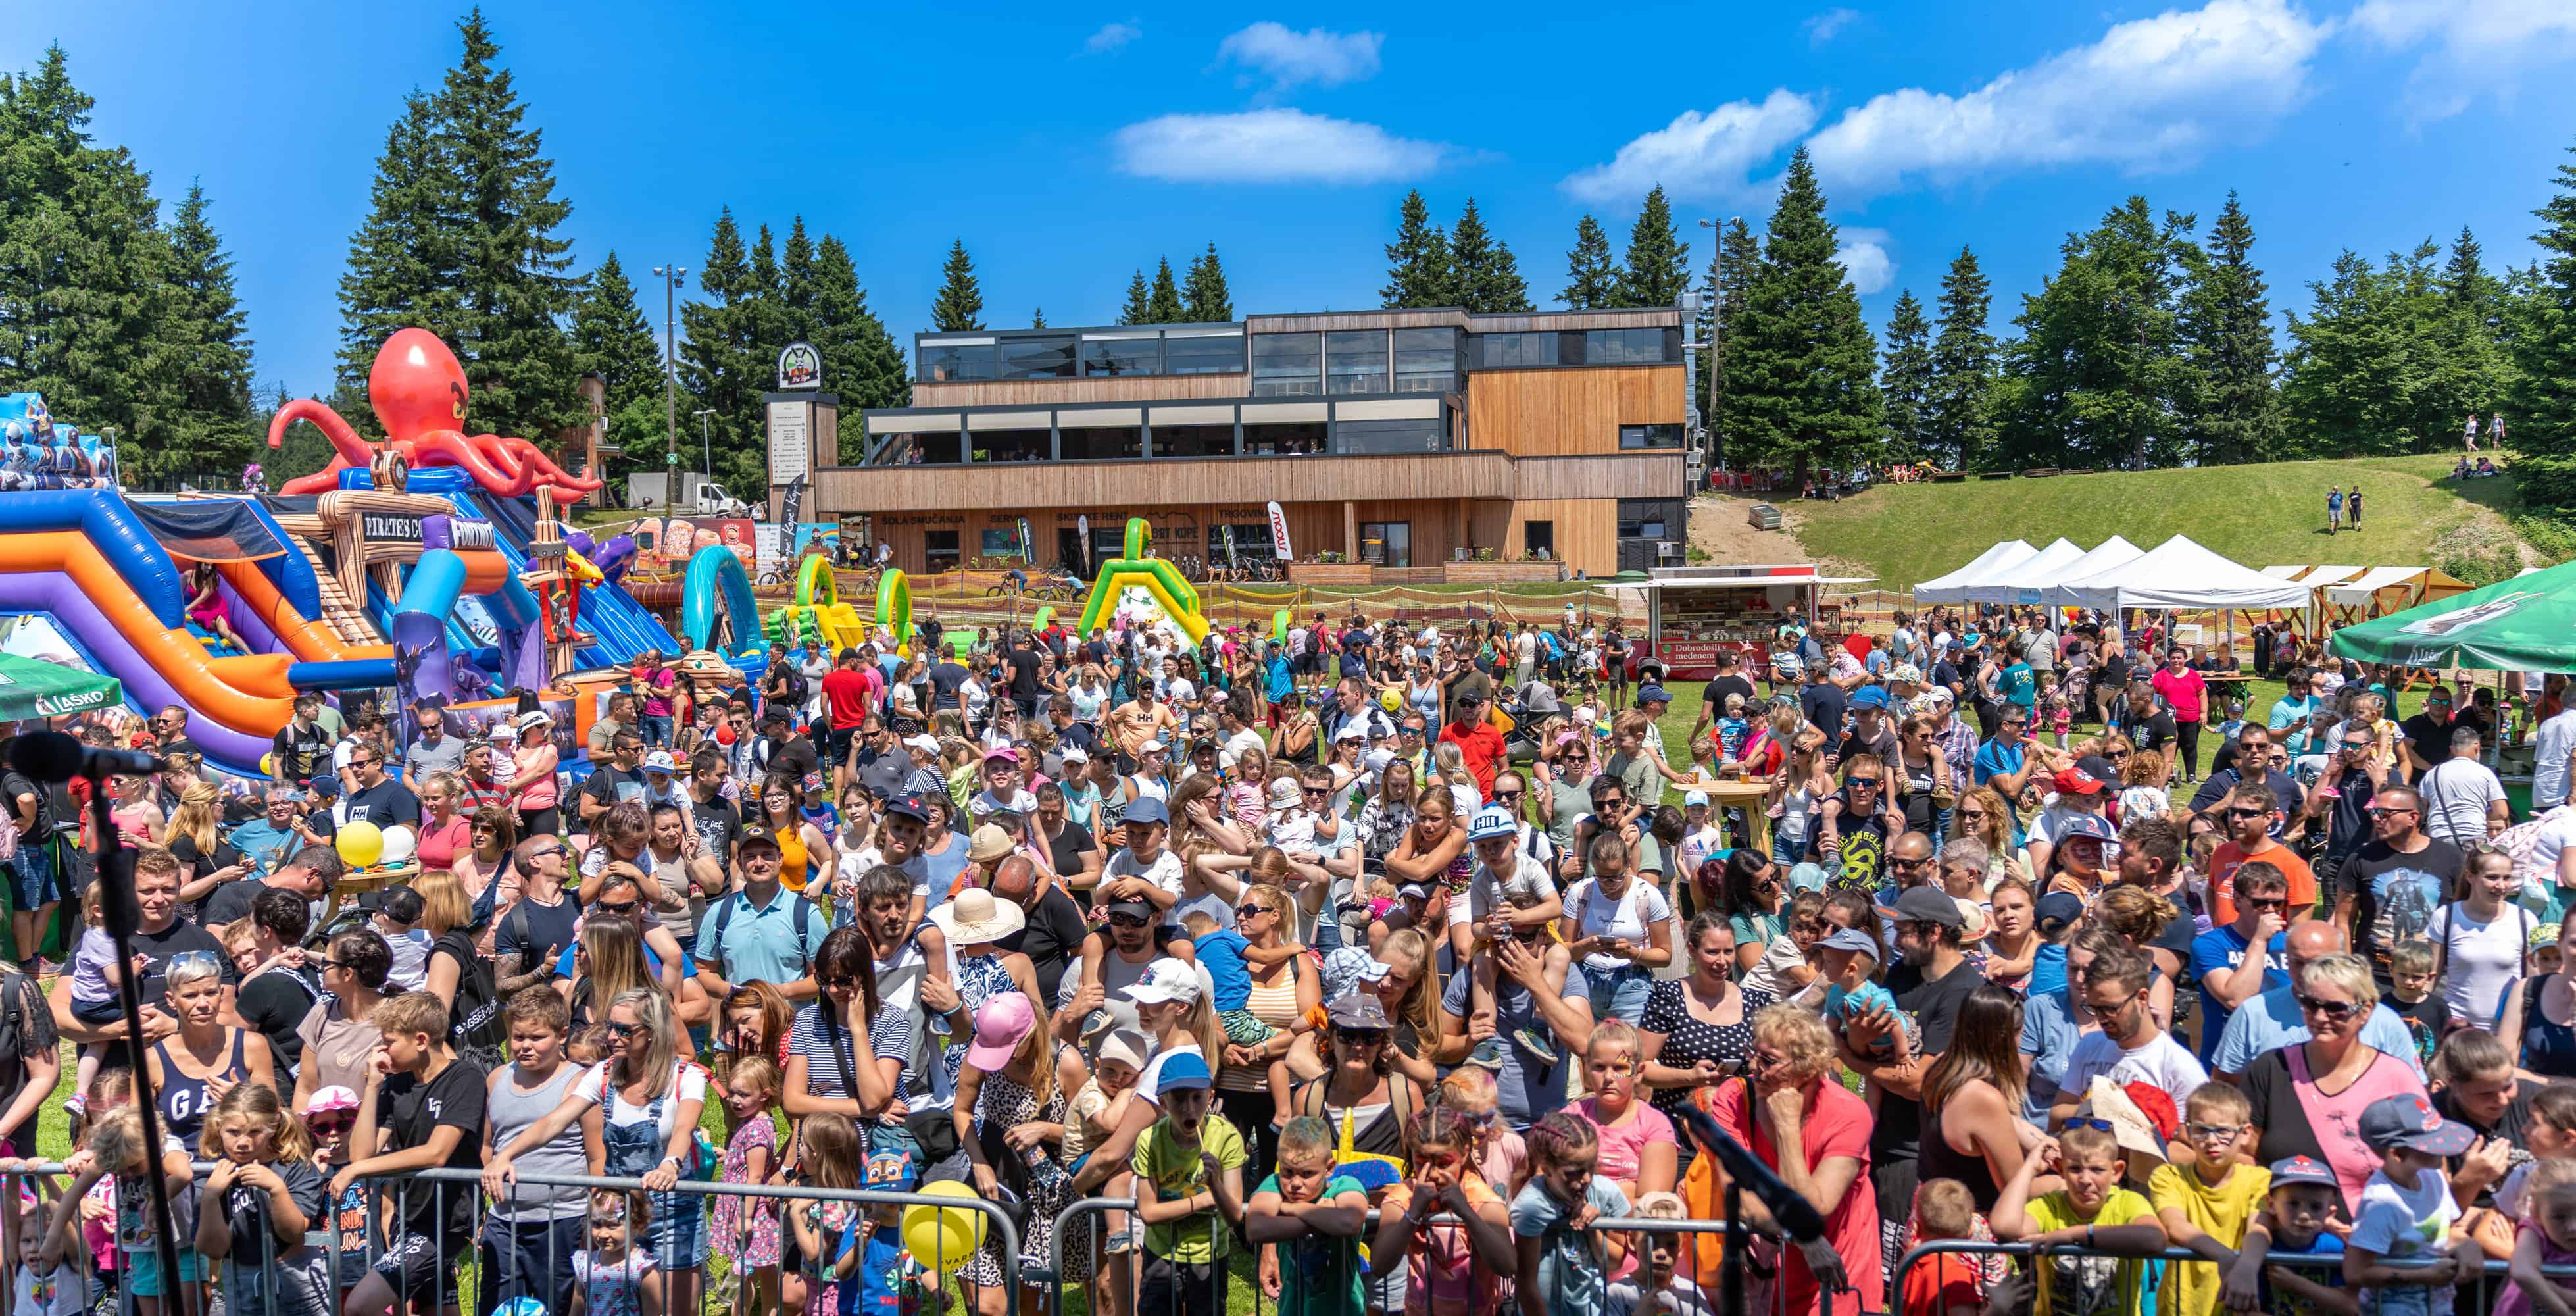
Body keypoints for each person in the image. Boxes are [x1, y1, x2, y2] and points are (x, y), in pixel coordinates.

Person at [487, 989, 709, 1316]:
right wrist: (505, 1155)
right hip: (619, 1215)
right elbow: (553, 1122)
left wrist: (669, 1165)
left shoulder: (687, 1077)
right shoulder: (603, 1074)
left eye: (624, 1030)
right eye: (610, 1026)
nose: (612, 1037)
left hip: (674, 1213)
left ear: (653, 1031)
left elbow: (683, 1129)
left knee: (677, 1310)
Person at [1691, 1005, 1879, 1315]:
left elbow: (1814, 1207)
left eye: (1768, 1060)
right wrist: (1805, 1239)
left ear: (1808, 1069)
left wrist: (1788, 1128)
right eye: (1753, 1052)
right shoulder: (1734, 1098)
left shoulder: (1849, 1113)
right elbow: (1741, 1199)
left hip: (1836, 1271)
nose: (1753, 1066)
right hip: (1771, 1274)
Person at [333, 988, 489, 1316]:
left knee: (360, 1305)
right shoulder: (397, 1084)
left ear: (420, 1040)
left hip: (446, 1221)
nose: (381, 1049)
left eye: (389, 1041)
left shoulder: (464, 1078)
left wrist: (357, 1171)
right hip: (409, 1216)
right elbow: (362, 1154)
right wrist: (372, 1085)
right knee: (438, 1310)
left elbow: (437, 1153)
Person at [2242, 953, 2434, 1216]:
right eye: (2310, 1004)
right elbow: (2244, 1156)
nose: (2321, 1017)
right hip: (2287, 1231)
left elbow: (2430, 1166)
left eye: (2336, 1009)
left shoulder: (2397, 1077)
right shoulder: (2272, 1068)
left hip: (2374, 1232)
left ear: (2366, 1011)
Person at [1991, 1119, 2167, 1316]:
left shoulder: (2128, 1203)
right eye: (2075, 1169)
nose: (2085, 1180)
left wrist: (2075, 1234)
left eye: (2097, 1170)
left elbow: (2155, 1238)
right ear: (2060, 1169)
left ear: (2116, 1171)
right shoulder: (2050, 1206)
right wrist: (2030, 1167)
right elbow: (2004, 1227)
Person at [1133, 1050, 1246, 1316]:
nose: (1189, 1108)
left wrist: (1216, 1184)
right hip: (1161, 1253)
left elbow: (1234, 1215)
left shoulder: (1227, 1138)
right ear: (1162, 1101)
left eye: (1197, 1097)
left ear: (1211, 1097)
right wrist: (1204, 1200)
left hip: (1209, 1255)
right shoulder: (1150, 1140)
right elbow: (1149, 1212)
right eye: (1178, 1098)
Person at [2344, 1093, 2475, 1315]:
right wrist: (2423, 1276)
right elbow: (2355, 1272)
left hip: (2438, 1307)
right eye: (2431, 1144)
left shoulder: (2434, 1177)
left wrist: (2468, 1245)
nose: (2443, 1149)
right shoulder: (2382, 1203)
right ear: (2397, 1153)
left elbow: (2446, 1233)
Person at [1511, 1112, 1630, 1316]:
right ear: (1547, 1169)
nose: (1586, 1179)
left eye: (1591, 1167)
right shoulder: (1532, 1206)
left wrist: (1592, 1229)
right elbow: (1526, 1284)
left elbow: (1615, 1261)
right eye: (1574, 1172)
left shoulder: (1604, 1192)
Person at [2416, 726, 2511, 846]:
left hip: (2439, 837)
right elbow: (2501, 812)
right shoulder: (2485, 773)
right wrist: (2478, 814)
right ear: (2477, 747)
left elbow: (2421, 808)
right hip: (2474, 836)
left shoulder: (2433, 774)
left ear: (2452, 749)